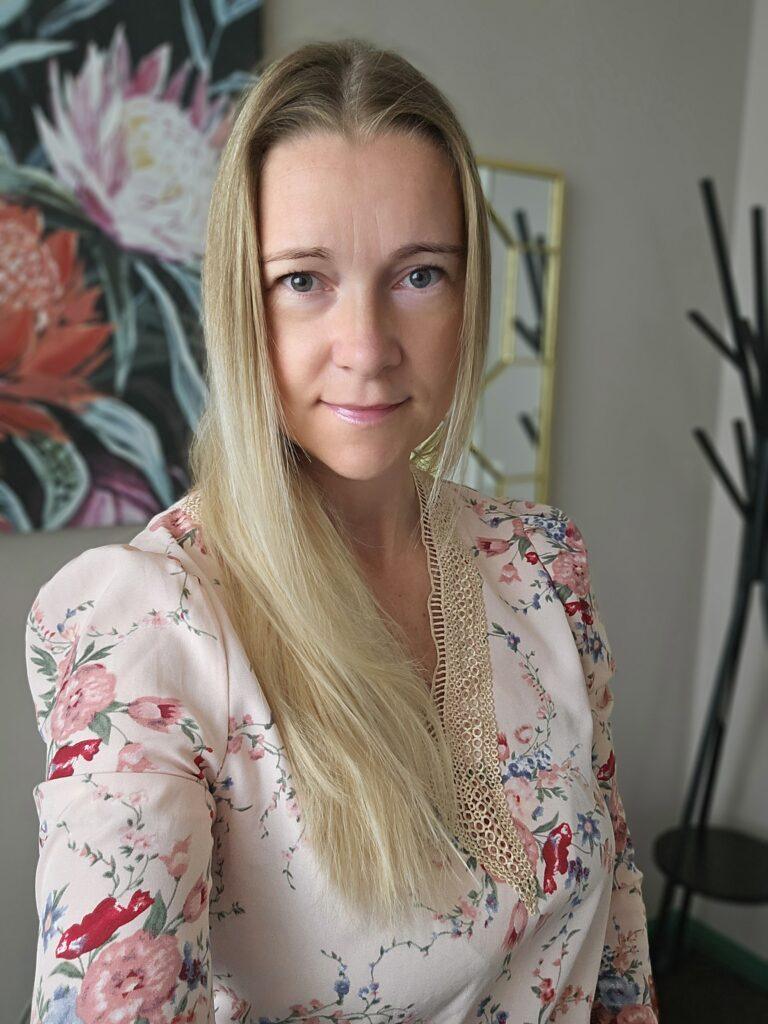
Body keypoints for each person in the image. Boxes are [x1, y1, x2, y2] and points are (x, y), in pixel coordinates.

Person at [24, 37, 659, 1024]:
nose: (366, 349)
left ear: (470, 293)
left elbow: (615, 937)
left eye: (419, 275)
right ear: (241, 299)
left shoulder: (541, 565)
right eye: (303, 280)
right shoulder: (154, 627)